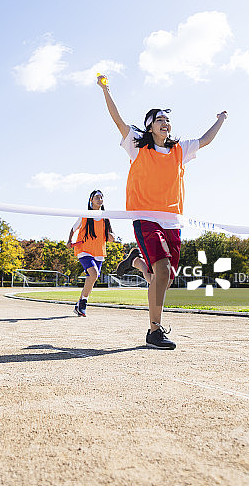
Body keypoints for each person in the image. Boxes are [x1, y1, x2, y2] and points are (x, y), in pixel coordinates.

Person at [98, 75, 227, 350]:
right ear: (150, 126)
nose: (165, 123)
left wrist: (221, 120)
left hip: (172, 220)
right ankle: (154, 331)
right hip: (145, 217)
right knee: (163, 270)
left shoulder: (180, 150)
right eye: (159, 120)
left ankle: (136, 262)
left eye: (167, 120)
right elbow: (118, 121)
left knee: (163, 279)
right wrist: (106, 90)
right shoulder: (137, 145)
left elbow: (205, 140)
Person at [68, 189, 115, 317]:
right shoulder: (85, 215)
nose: (100, 199)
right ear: (91, 200)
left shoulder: (105, 217)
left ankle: (79, 305)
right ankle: (84, 303)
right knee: (93, 274)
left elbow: (111, 234)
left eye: (101, 197)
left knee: (93, 277)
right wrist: (69, 241)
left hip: (99, 251)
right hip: (84, 249)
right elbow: (73, 229)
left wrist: (112, 237)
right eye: (97, 197)